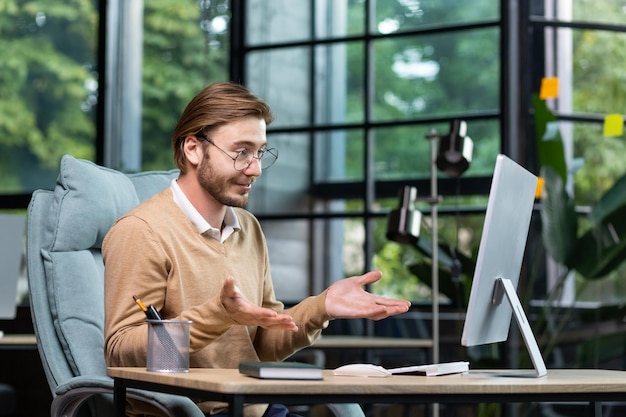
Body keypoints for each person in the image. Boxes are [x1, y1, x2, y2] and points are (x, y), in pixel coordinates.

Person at [103, 81, 411, 417]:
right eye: (241, 152)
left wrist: (322, 307)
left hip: (258, 409)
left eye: (260, 152)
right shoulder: (142, 231)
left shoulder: (248, 228)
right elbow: (121, 354)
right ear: (193, 148)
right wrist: (216, 316)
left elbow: (262, 348)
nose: (256, 168)